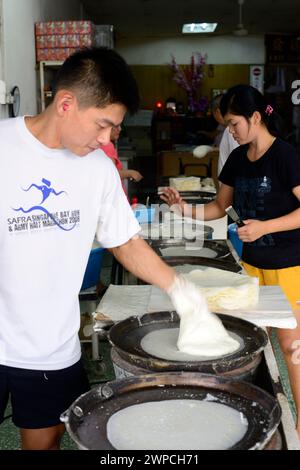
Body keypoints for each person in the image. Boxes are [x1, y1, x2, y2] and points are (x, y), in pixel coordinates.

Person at [0, 47, 206, 450]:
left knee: (43, 443)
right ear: (65, 103)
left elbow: (125, 241)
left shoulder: (97, 170)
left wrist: (180, 288)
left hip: (50, 347)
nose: (107, 139)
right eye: (102, 125)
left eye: (113, 129)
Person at [161, 84, 300, 439]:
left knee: (292, 348)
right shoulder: (238, 158)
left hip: (289, 266)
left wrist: (267, 225)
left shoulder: (286, 156)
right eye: (227, 125)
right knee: (253, 344)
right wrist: (183, 209)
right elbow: (219, 207)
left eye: (235, 124)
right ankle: (257, 419)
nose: (230, 132)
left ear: (256, 117)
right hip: (251, 266)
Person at [100, 124, 143, 196]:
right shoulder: (107, 145)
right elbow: (110, 174)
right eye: (116, 126)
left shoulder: (97, 144)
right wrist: (131, 173)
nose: (120, 129)